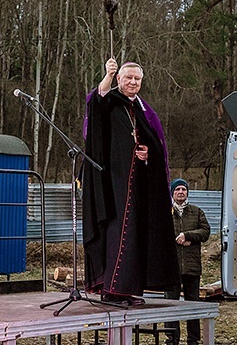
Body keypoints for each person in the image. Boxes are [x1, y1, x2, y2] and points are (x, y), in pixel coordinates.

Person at [82, 58, 180, 305]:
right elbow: (96, 100)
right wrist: (107, 74)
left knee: (135, 236)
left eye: (137, 79)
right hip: (112, 184)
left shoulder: (144, 110)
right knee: (116, 234)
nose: (133, 82)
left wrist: (149, 154)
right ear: (119, 79)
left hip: (136, 186)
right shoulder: (110, 102)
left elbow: (157, 146)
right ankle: (111, 289)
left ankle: (127, 290)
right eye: (128, 78)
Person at [164, 178, 211, 345]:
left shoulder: (196, 212)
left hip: (192, 266)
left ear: (187, 193)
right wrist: (177, 239)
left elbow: (205, 231)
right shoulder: (165, 213)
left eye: (183, 189)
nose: (181, 192)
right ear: (172, 193)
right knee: (171, 304)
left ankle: (193, 340)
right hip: (172, 267)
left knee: (193, 304)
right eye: (177, 190)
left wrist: (188, 236)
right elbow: (158, 234)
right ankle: (171, 338)